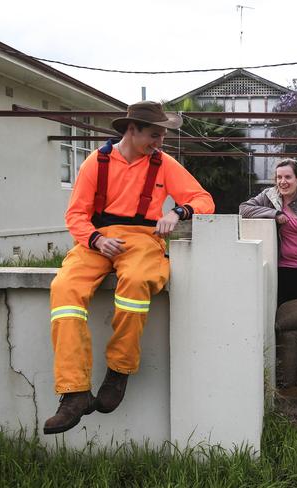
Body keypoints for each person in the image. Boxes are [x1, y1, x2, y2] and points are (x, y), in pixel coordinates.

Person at [44, 101, 215, 434]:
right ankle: (74, 392)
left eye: (163, 135)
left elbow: (203, 199)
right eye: (155, 134)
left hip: (142, 240)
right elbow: (76, 215)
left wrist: (177, 213)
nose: (160, 142)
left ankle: (118, 372)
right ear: (131, 130)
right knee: (64, 290)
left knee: (136, 282)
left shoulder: (163, 164)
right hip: (96, 241)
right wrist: (95, 240)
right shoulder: (96, 162)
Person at [239, 159, 297, 306]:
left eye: (288, 177)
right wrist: (274, 214)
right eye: (279, 177)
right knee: (285, 317)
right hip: (281, 271)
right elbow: (244, 209)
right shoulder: (269, 196)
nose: (283, 181)